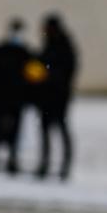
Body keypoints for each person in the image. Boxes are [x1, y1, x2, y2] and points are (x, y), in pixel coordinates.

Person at [34, 14, 78, 180]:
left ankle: (64, 166)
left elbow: (66, 71)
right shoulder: (51, 44)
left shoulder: (63, 46)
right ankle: (45, 164)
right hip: (47, 96)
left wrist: (49, 76)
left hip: (59, 96)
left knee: (61, 129)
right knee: (46, 130)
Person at [0, 18, 32, 174]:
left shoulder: (25, 53)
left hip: (17, 99)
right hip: (2, 98)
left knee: (15, 131)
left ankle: (11, 159)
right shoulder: (2, 51)